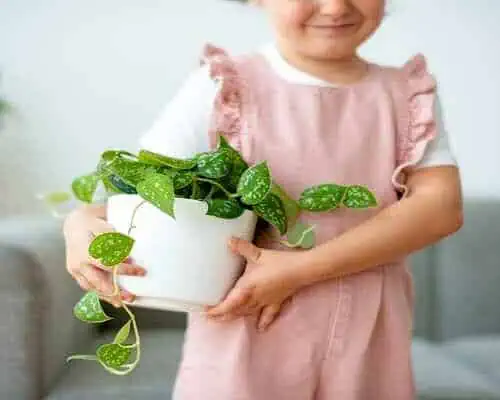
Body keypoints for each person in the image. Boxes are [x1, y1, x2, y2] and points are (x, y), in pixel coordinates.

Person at [63, 0, 463, 398]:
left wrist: (301, 270)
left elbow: (440, 207)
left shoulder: (407, 96)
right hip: (244, 328)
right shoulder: (223, 86)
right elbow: (144, 189)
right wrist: (81, 221)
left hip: (366, 334)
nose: (335, 7)